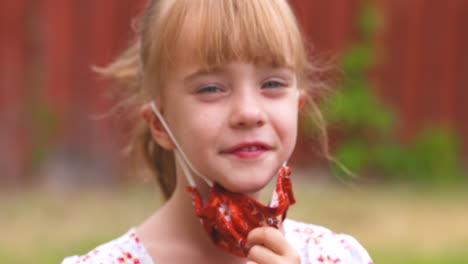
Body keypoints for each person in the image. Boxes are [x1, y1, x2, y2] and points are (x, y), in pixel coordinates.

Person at [62, 0, 373, 263]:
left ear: (297, 105)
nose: (249, 113)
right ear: (160, 123)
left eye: (272, 84)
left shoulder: (336, 256)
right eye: (211, 88)